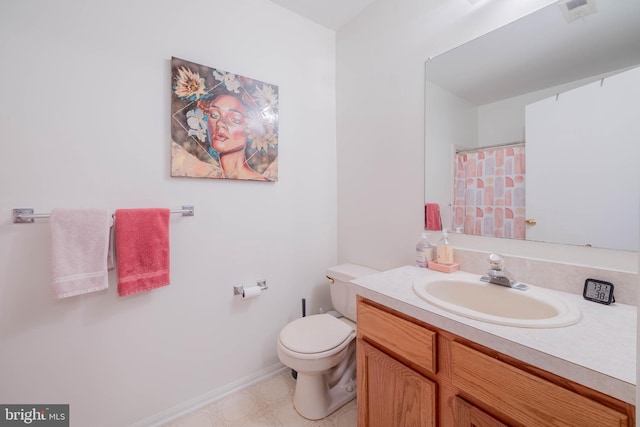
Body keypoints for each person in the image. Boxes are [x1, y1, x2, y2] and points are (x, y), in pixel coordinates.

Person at [198, 94, 269, 181]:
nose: (220, 123)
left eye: (235, 119)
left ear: (251, 129)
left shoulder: (258, 182)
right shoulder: (207, 178)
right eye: (214, 115)